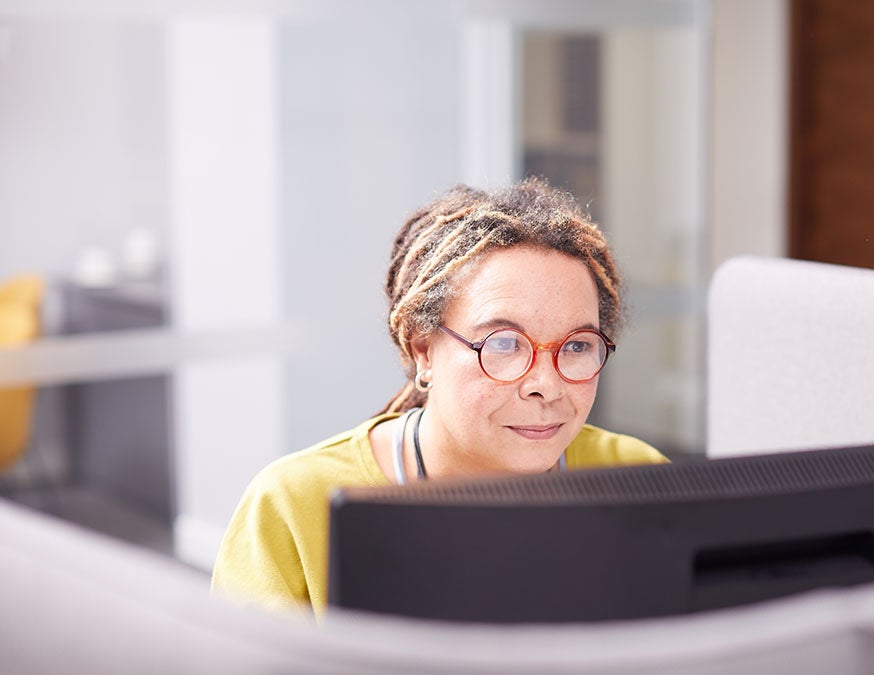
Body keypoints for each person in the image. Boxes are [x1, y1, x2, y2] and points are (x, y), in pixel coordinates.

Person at [211, 178, 668, 613]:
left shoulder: (637, 477)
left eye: (576, 346)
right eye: (504, 344)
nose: (545, 385)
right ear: (424, 350)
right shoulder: (293, 505)